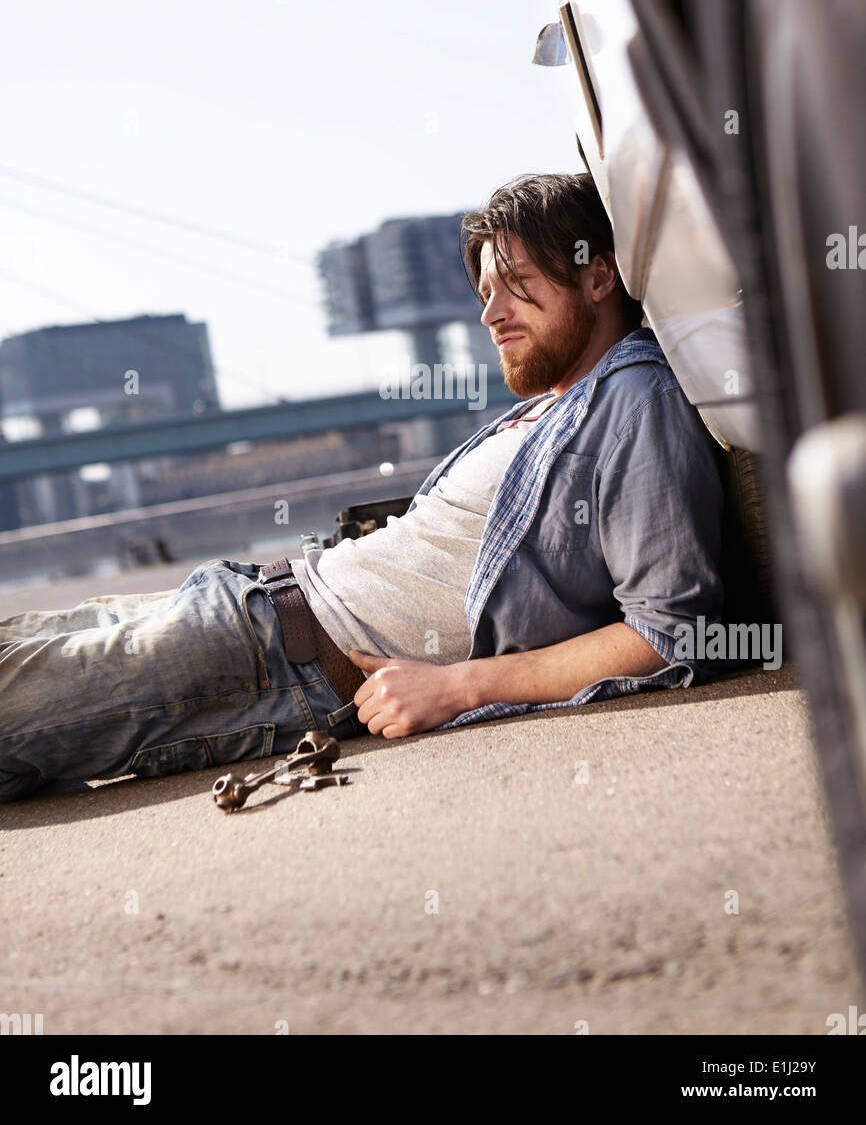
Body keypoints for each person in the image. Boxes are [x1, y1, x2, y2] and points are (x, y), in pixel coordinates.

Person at [0, 173, 724, 802]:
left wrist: (462, 686)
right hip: (242, 600)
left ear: (598, 276)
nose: (491, 313)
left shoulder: (635, 402)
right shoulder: (553, 403)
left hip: (268, 663)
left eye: (519, 285)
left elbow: (669, 631)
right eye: (486, 291)